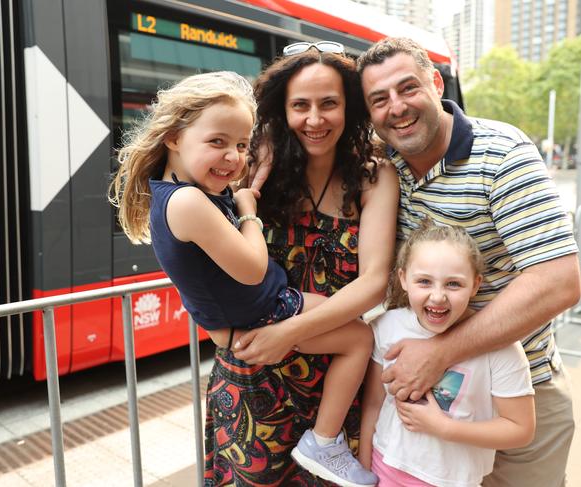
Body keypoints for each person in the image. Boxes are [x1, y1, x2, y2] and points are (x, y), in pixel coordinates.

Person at [109, 70, 382, 487]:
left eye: (240, 144)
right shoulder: (187, 201)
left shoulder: (181, 189)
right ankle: (325, 442)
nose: (234, 157)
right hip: (267, 316)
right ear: (173, 137)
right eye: (218, 142)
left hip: (257, 324)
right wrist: (248, 211)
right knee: (360, 338)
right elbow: (253, 268)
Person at [357, 36, 580, 487]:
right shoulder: (380, 167)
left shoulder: (502, 153)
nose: (396, 107)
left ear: (436, 83)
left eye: (408, 88)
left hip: (517, 396)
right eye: (379, 99)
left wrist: (440, 354)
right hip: (419, 407)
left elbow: (560, 279)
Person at [205, 44, 399, 485]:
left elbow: (373, 283)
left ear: (350, 107)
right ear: (280, 110)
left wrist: (288, 333)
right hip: (252, 382)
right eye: (300, 106)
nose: (315, 120)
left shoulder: (374, 175)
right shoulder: (252, 167)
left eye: (329, 103)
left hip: (334, 389)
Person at [361, 219, 535, 487]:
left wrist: (445, 428)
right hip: (384, 466)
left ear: (476, 285)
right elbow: (373, 404)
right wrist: (363, 471)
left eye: (453, 284)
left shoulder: (501, 348)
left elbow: (521, 429)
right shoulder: (387, 326)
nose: (438, 296)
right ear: (403, 279)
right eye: (424, 282)